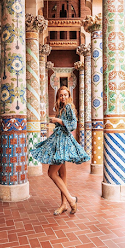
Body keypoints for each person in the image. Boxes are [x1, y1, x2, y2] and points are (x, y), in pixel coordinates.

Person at [30, 86, 90, 215]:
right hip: (58, 142)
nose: (63, 97)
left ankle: (71, 200)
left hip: (63, 142)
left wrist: (58, 120)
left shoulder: (68, 107)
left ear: (68, 95)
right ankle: (63, 204)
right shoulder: (61, 108)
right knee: (62, 175)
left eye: (65, 95)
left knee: (51, 173)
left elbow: (73, 124)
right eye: (60, 95)